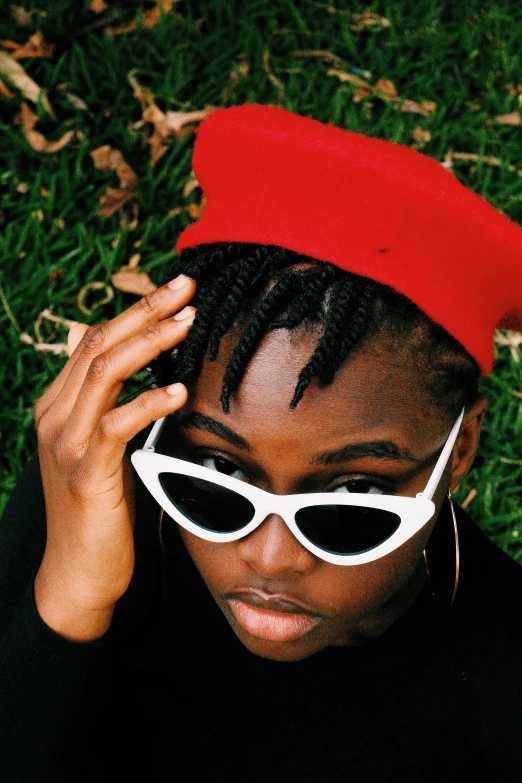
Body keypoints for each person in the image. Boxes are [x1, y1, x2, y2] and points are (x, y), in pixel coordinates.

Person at [1, 104, 521, 783]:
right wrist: (69, 597)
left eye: (353, 497)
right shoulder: (95, 491)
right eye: (218, 473)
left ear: (460, 449)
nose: (269, 558)